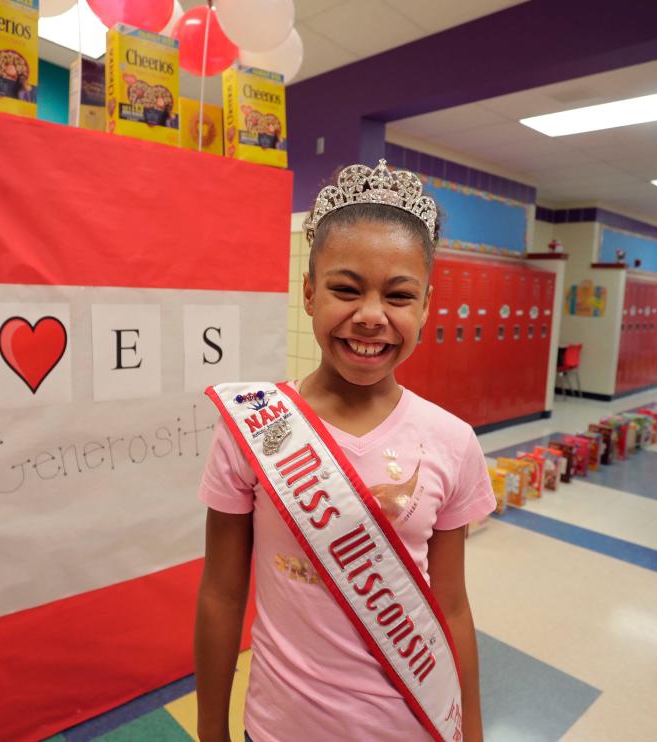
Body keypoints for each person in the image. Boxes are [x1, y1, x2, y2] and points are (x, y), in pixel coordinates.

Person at [195, 159, 496, 742]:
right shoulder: (254, 427)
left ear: (427, 306)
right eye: (346, 289)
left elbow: (452, 608)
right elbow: (222, 593)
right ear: (309, 292)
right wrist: (212, 734)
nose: (371, 317)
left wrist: (473, 734)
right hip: (279, 728)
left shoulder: (452, 441)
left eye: (400, 296)